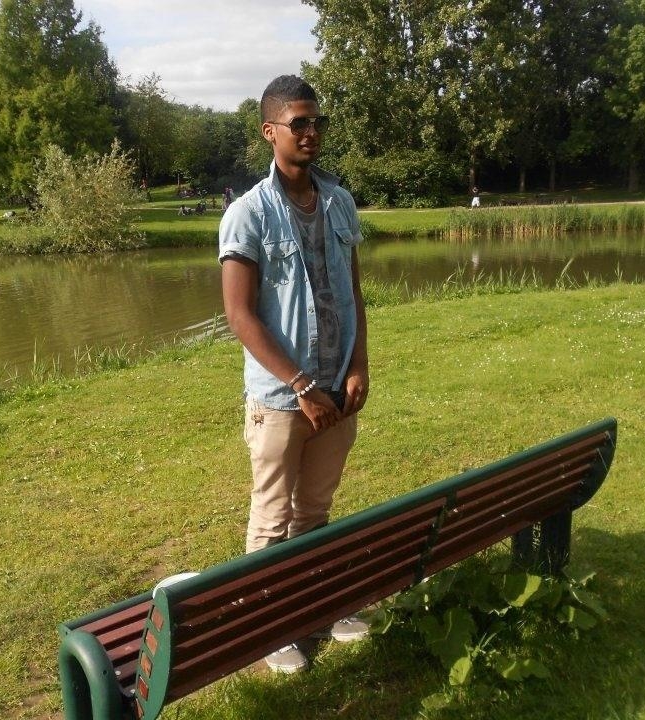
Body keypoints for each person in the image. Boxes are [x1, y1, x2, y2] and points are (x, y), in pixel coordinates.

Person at [218, 74, 370, 674]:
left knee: (315, 512)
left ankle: (319, 607)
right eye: (298, 123)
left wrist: (357, 363)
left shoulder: (339, 201)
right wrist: (301, 386)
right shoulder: (247, 214)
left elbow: (353, 292)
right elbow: (239, 315)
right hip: (283, 398)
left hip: (338, 389)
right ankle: (268, 628)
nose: (310, 133)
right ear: (269, 131)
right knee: (272, 517)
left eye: (316, 122)